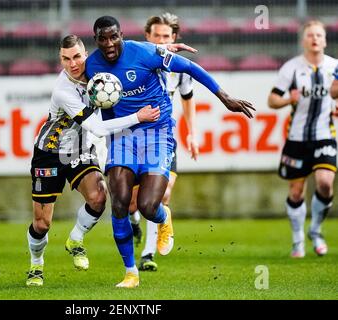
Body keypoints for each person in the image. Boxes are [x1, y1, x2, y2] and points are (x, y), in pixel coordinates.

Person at [86, 16, 254, 288]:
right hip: (123, 136)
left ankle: (164, 218)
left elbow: (190, 67)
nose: (108, 44)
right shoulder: (91, 65)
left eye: (113, 37)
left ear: (121, 35)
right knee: (119, 202)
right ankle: (131, 273)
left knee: (149, 206)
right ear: (95, 40)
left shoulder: (145, 52)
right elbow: (70, 78)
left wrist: (225, 98)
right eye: (102, 39)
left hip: (157, 134)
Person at [26, 35, 160, 286]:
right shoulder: (63, 90)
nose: (73, 64)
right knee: (42, 224)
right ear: (60, 59)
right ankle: (36, 265)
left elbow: (126, 50)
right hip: (50, 151)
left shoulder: (97, 69)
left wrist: (163, 48)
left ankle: (75, 240)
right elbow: (96, 127)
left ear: (85, 54)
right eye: (66, 59)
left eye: (77, 56)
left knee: (99, 196)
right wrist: (137, 117)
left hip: (78, 149)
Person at [128, 13, 199, 272]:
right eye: (156, 35)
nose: (161, 40)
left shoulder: (179, 67)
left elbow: (188, 99)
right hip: (131, 138)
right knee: (133, 202)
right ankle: (133, 219)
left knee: (161, 193)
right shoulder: (134, 61)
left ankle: (147, 253)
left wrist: (191, 133)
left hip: (163, 138)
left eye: (166, 36)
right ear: (147, 37)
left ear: (174, 38)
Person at [268, 20, 338, 258]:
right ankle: (298, 239)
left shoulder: (334, 67)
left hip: (324, 135)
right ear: (303, 40)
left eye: (319, 35)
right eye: (310, 35)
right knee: (296, 191)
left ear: (325, 40)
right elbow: (272, 100)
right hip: (296, 138)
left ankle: (316, 231)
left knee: (325, 182)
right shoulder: (291, 68)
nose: (315, 39)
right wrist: (289, 98)